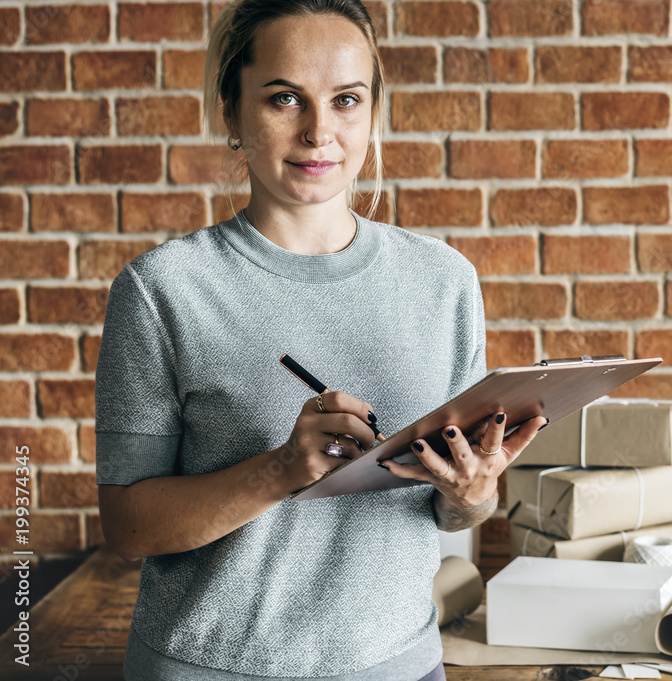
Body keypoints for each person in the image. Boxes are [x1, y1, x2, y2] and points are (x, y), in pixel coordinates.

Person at [94, 1, 547, 679]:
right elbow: (129, 528)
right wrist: (282, 469)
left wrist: (471, 494)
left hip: (403, 666)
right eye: (284, 99)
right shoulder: (162, 289)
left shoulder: (445, 281)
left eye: (345, 100)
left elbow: (453, 516)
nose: (318, 132)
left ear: (371, 114)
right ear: (233, 113)